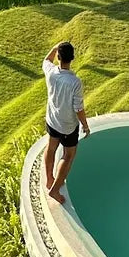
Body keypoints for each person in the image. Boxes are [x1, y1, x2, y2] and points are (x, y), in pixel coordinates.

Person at [43, 40, 89, 204]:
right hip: (68, 126)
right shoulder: (75, 82)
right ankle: (54, 189)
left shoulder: (51, 73)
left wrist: (55, 47)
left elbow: (46, 60)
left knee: (51, 148)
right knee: (68, 155)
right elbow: (78, 108)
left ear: (59, 57)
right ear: (73, 58)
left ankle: (49, 179)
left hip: (52, 121)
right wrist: (85, 125)